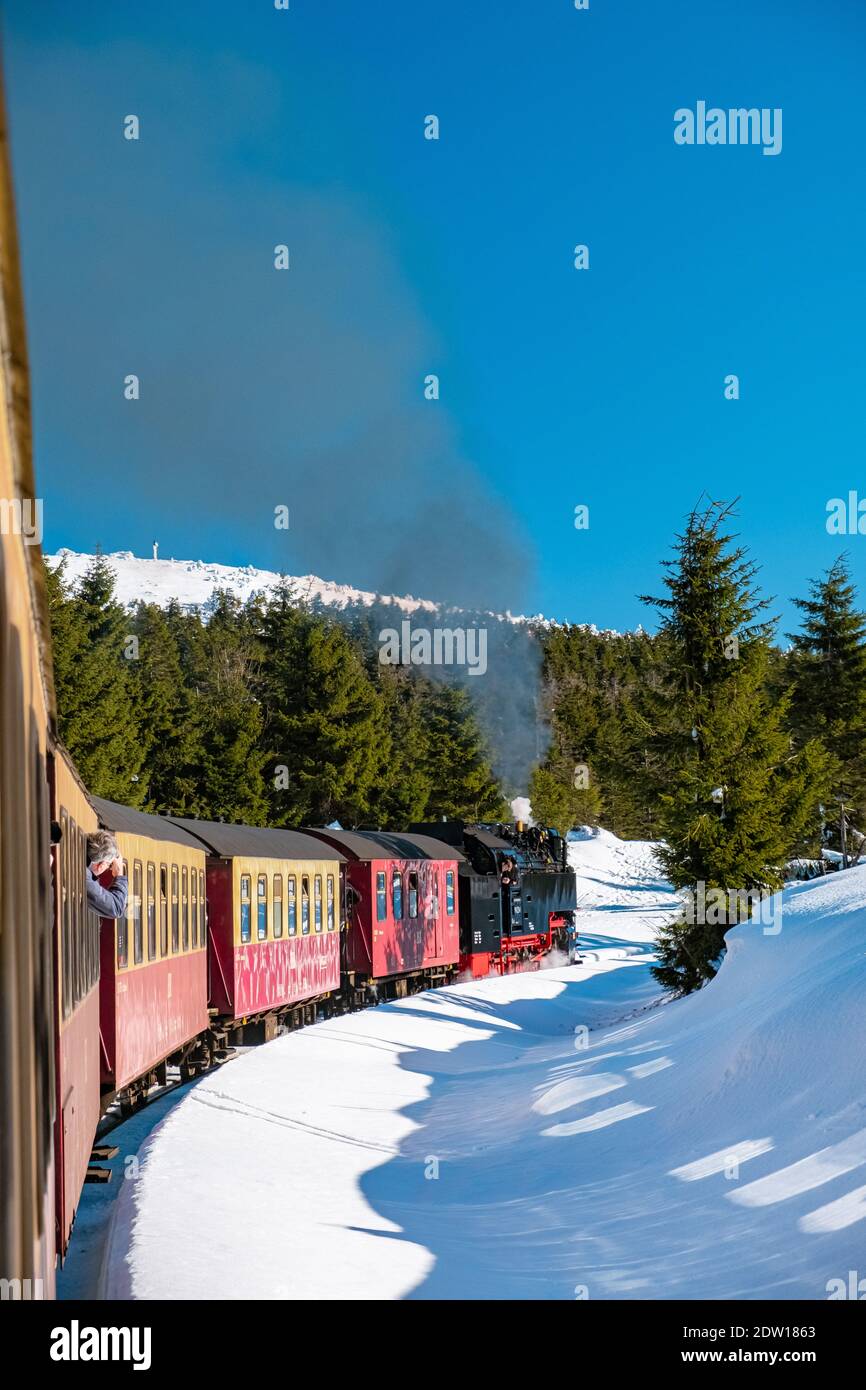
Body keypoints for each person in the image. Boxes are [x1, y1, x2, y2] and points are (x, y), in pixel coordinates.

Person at [86, 830, 128, 919]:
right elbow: (116, 908)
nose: (107, 868)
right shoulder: (84, 876)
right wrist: (119, 875)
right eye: (109, 865)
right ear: (101, 865)